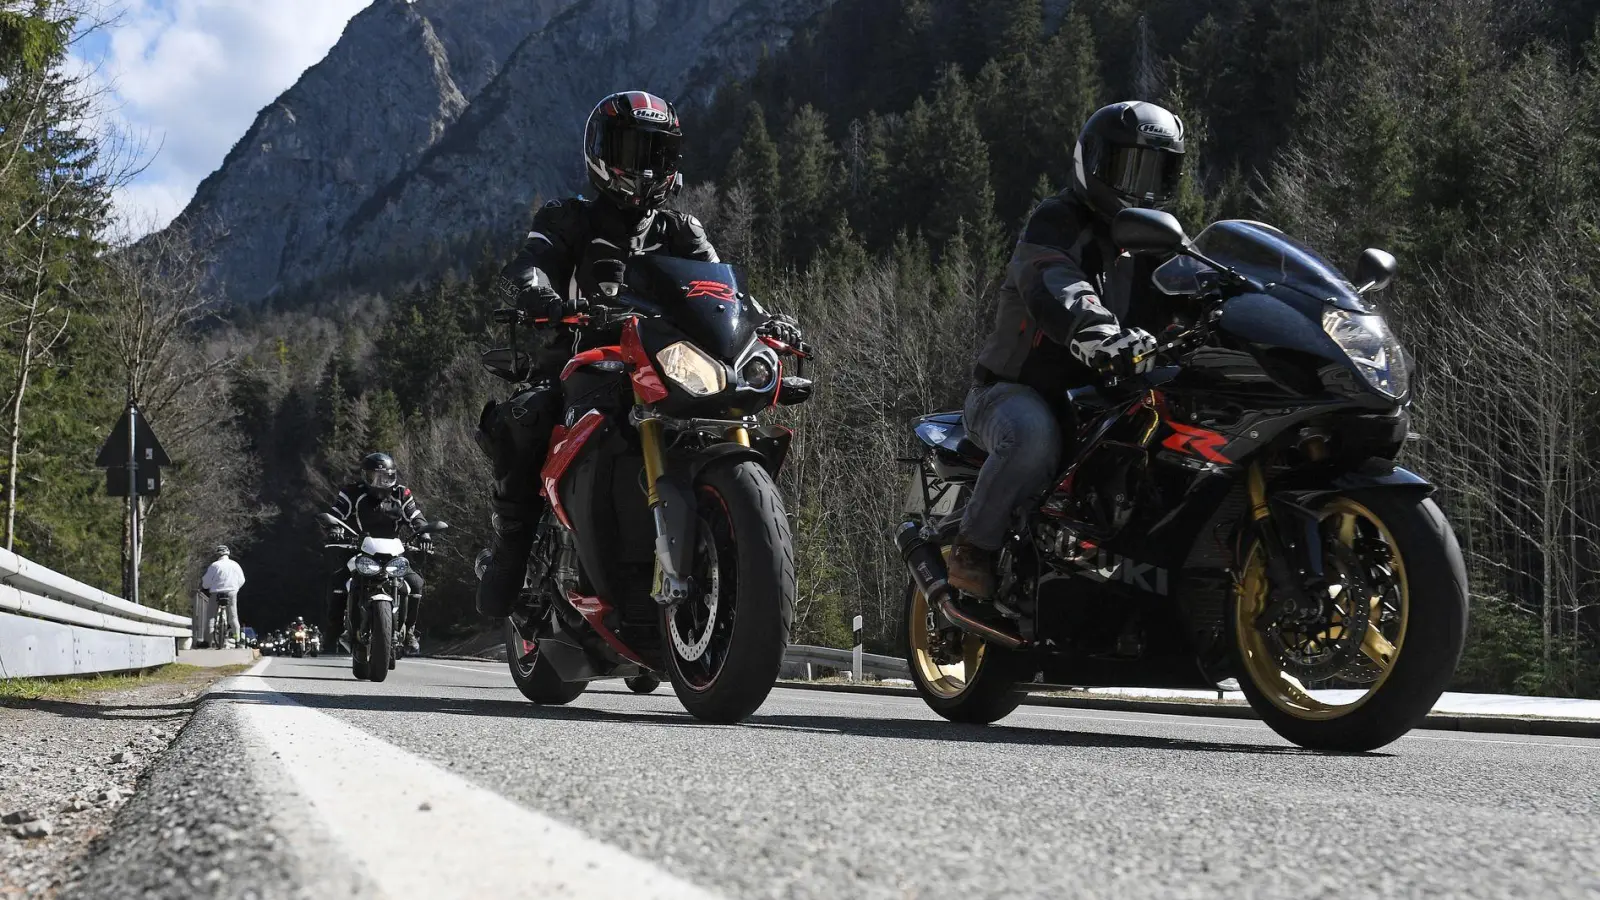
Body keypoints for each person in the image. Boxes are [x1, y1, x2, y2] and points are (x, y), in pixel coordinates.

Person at [473, 90, 804, 618]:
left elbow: (724, 294)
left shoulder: (682, 230)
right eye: (631, 151)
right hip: (585, 361)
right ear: (602, 153)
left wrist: (762, 322)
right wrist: (539, 294)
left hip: (662, 364)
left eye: (656, 153)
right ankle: (513, 544)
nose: (643, 168)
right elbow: (531, 262)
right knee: (527, 416)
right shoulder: (568, 218)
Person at [947, 101, 1187, 601]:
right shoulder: (1056, 222)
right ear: (1093, 162)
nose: (1139, 184)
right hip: (1014, 393)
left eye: (1155, 170)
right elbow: (1054, 284)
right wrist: (1099, 334)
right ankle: (974, 549)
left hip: (1107, 399)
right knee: (1033, 436)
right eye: (1128, 167)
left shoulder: (1154, 241)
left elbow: (1192, 291)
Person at [325, 452, 431, 654]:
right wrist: (334, 528)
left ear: (394, 476)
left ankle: (409, 631)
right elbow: (337, 512)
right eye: (376, 477)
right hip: (360, 550)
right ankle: (335, 630)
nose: (382, 482)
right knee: (338, 583)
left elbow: (415, 515)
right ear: (365, 477)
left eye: (387, 477)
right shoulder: (352, 493)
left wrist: (424, 534)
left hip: (393, 553)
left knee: (416, 583)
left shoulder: (402, 494)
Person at [197, 545, 245, 647]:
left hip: (216, 592)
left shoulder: (214, 565)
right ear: (228, 553)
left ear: (217, 554)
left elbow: (206, 581)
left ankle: (207, 642)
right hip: (231, 592)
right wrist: (235, 589)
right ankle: (238, 640)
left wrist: (207, 587)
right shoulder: (235, 565)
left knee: (211, 617)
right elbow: (242, 580)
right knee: (233, 617)